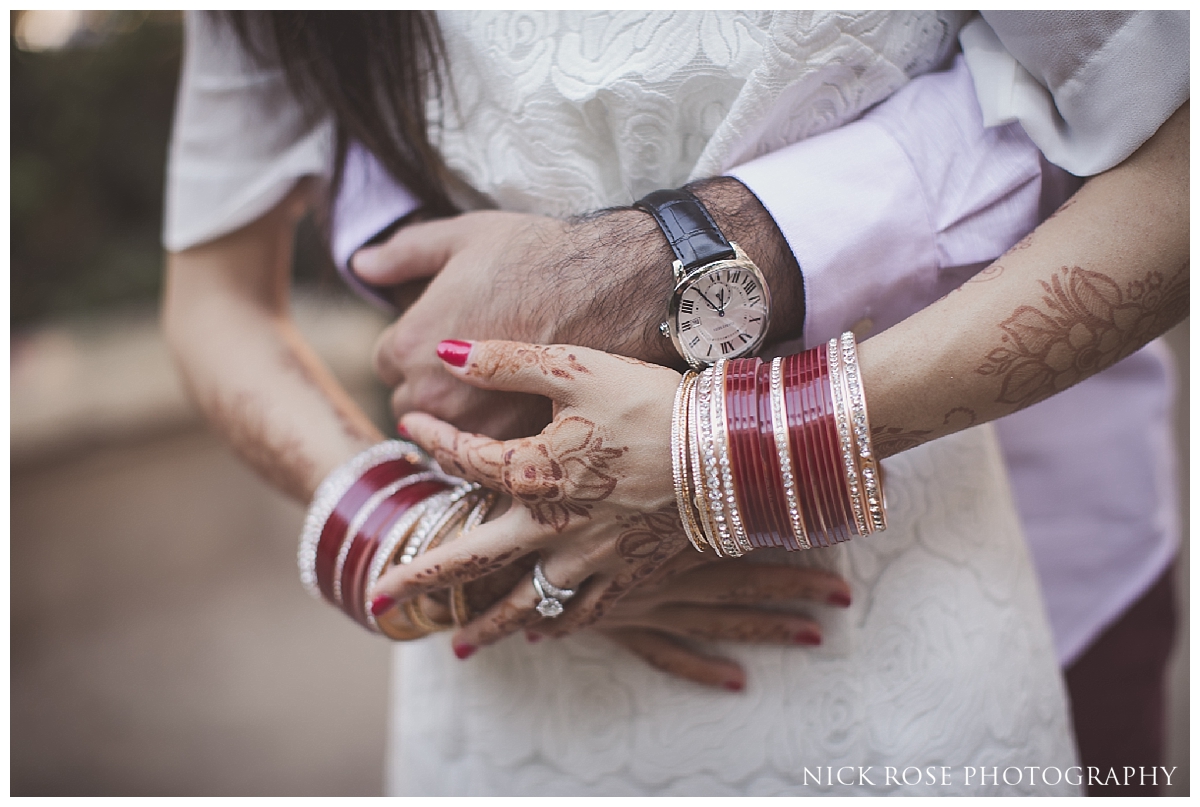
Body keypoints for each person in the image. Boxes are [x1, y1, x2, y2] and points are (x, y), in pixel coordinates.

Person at [160, 11, 1184, 795]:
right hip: (515, 657)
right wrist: (425, 541)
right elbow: (214, 295)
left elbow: (1165, 138)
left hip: (907, 613)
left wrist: (724, 454)